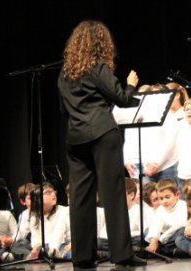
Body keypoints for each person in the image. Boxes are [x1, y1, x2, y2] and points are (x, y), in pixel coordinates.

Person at [57, 20, 145, 267]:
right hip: (102, 135)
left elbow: (63, 109)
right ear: (101, 44)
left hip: (75, 139)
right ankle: (122, 255)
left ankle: (82, 257)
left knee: (80, 197)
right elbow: (122, 98)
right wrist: (131, 83)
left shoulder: (65, 74)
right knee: (113, 194)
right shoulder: (97, 67)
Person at [145, 179, 187, 255]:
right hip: (165, 236)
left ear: (177, 195)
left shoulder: (183, 206)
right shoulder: (160, 209)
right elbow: (157, 225)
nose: (164, 201)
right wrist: (154, 240)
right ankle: (169, 250)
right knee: (147, 231)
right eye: (161, 198)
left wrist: (159, 240)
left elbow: (178, 226)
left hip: (173, 234)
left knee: (182, 231)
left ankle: (163, 250)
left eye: (167, 197)